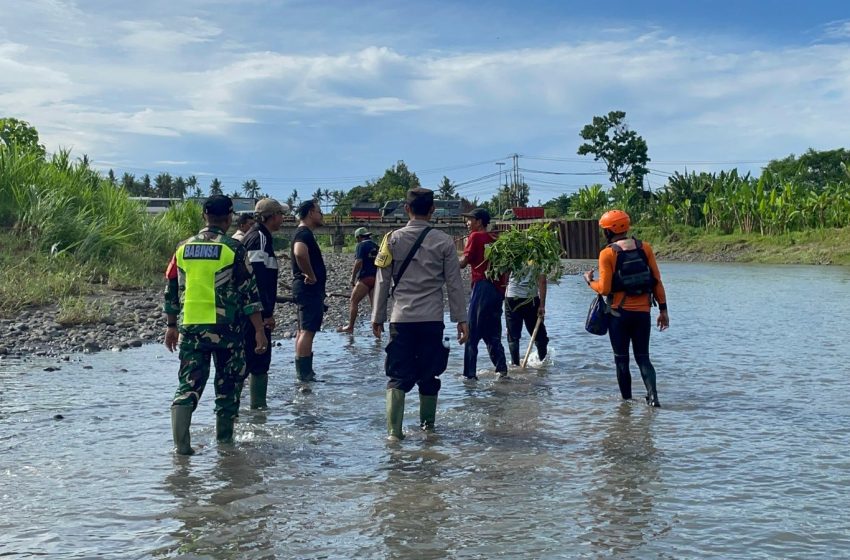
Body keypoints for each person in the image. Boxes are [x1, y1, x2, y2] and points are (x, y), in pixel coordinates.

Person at [163, 195, 268, 455]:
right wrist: (259, 330)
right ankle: (225, 446)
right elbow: (249, 294)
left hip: (191, 328)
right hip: (227, 330)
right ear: (229, 217)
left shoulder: (182, 248)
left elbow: (172, 287)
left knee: (188, 386)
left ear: (204, 216)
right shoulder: (233, 249)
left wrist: (171, 325)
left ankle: (181, 449)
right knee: (228, 388)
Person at [372, 188, 469, 441]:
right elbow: (454, 284)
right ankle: (429, 431)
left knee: (396, 376)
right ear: (433, 210)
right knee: (429, 375)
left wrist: (377, 317)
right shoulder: (444, 241)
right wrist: (461, 319)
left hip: (401, 319)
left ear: (406, 209)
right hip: (432, 319)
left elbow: (382, 281)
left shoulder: (391, 240)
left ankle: (394, 436)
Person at [584, 209, 669, 407]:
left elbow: (604, 289)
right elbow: (657, 281)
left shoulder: (607, 253)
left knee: (621, 360)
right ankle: (653, 398)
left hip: (618, 315)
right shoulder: (645, 248)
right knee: (643, 358)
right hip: (643, 314)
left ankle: (626, 405)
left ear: (608, 231)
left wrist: (589, 281)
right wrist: (663, 311)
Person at [240, 198, 288, 408]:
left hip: (252, 312)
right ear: (273, 216)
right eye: (281, 214)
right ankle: (255, 411)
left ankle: (252, 413)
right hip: (254, 315)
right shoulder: (258, 238)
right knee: (256, 360)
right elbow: (256, 281)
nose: (283, 218)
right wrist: (264, 316)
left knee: (253, 361)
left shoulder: (260, 237)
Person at [458, 208, 508, 379]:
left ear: (479, 222)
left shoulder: (475, 237)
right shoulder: (495, 239)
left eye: (470, 220)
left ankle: (469, 376)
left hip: (482, 288)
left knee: (471, 334)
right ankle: (502, 372)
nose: (467, 223)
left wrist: (446, 261)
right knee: (492, 334)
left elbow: (463, 263)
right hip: (497, 290)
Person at [291, 199, 326, 382]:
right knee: (307, 330)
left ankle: (304, 373)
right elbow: (299, 252)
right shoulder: (304, 233)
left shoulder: (302, 232)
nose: (322, 215)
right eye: (319, 211)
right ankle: (304, 375)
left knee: (302, 330)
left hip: (304, 290)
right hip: (308, 289)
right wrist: (311, 275)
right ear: (311, 213)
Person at [504, 270, 549, 366]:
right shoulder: (539, 260)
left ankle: (515, 366)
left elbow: (504, 277)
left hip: (512, 298)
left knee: (513, 336)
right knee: (540, 336)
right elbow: (542, 281)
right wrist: (542, 305)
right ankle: (543, 365)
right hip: (530, 300)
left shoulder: (510, 259)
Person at [338, 226, 378, 334]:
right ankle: (377, 329)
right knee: (374, 305)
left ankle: (350, 327)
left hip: (365, 278)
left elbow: (359, 262)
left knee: (354, 301)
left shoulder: (361, 245)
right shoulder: (375, 246)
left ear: (359, 237)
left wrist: (353, 277)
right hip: (376, 278)